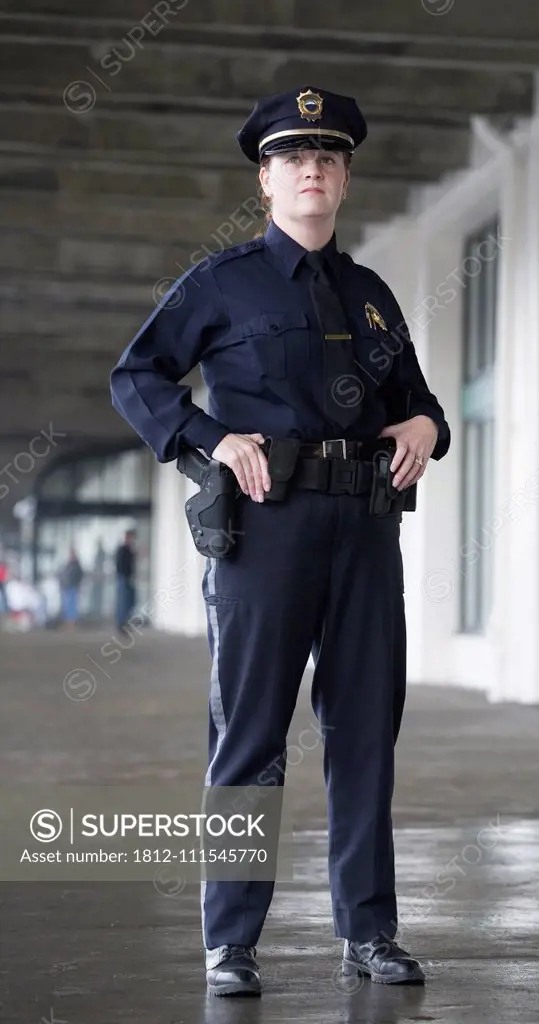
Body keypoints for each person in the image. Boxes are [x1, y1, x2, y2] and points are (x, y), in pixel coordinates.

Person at [110, 86, 451, 997]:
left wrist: (425, 426)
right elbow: (135, 374)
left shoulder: (372, 294)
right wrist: (209, 438)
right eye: (294, 158)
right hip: (267, 532)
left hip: (366, 532)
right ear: (266, 181)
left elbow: (418, 401)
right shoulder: (219, 284)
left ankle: (368, 933)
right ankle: (230, 942)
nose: (313, 169)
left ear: (343, 180)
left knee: (365, 734)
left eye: (329, 158)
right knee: (251, 736)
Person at [114, 529, 136, 632]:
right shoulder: (123, 550)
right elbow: (121, 565)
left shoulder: (129, 550)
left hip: (127, 578)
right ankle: (121, 623)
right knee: (123, 602)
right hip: (123, 578)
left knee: (129, 601)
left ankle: (125, 622)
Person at [58, 547, 84, 628]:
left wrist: (78, 585)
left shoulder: (76, 565)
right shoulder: (68, 565)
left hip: (73, 587)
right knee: (66, 605)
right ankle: (67, 622)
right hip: (67, 587)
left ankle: (71, 623)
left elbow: (79, 576)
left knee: (72, 606)